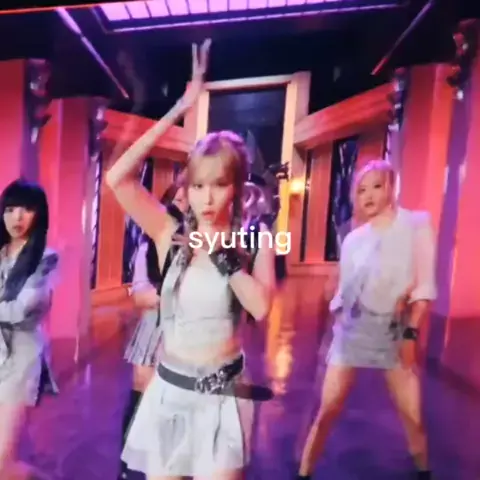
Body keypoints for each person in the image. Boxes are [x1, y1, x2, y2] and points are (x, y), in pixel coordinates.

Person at [106, 39, 276, 480]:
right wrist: (181, 107)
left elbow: (261, 306)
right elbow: (117, 177)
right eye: (198, 186)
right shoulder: (172, 234)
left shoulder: (254, 239)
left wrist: (221, 254)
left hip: (223, 395)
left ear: (236, 187)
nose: (207, 198)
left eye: (219, 185)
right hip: (169, 393)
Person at [297, 160, 436, 480]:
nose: (369, 195)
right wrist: (332, 300)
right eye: (361, 190)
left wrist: (411, 333)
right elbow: (342, 294)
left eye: (376, 186)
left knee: (412, 416)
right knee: (327, 410)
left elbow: (424, 287)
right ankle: (303, 474)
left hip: (393, 333)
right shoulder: (353, 239)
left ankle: (424, 473)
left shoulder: (416, 225)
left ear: (391, 187)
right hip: (352, 332)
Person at [118, 181, 187, 480]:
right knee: (142, 398)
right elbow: (140, 295)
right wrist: (172, 295)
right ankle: (129, 465)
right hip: (153, 328)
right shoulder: (148, 247)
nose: (183, 207)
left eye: (188, 201)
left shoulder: (202, 247)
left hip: (187, 335)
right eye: (178, 200)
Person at [0, 179, 59, 475]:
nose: (17, 217)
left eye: (26, 209)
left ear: (39, 214)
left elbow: (21, 309)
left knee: (2, 462)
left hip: (20, 361)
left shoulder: (45, 259)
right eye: (10, 209)